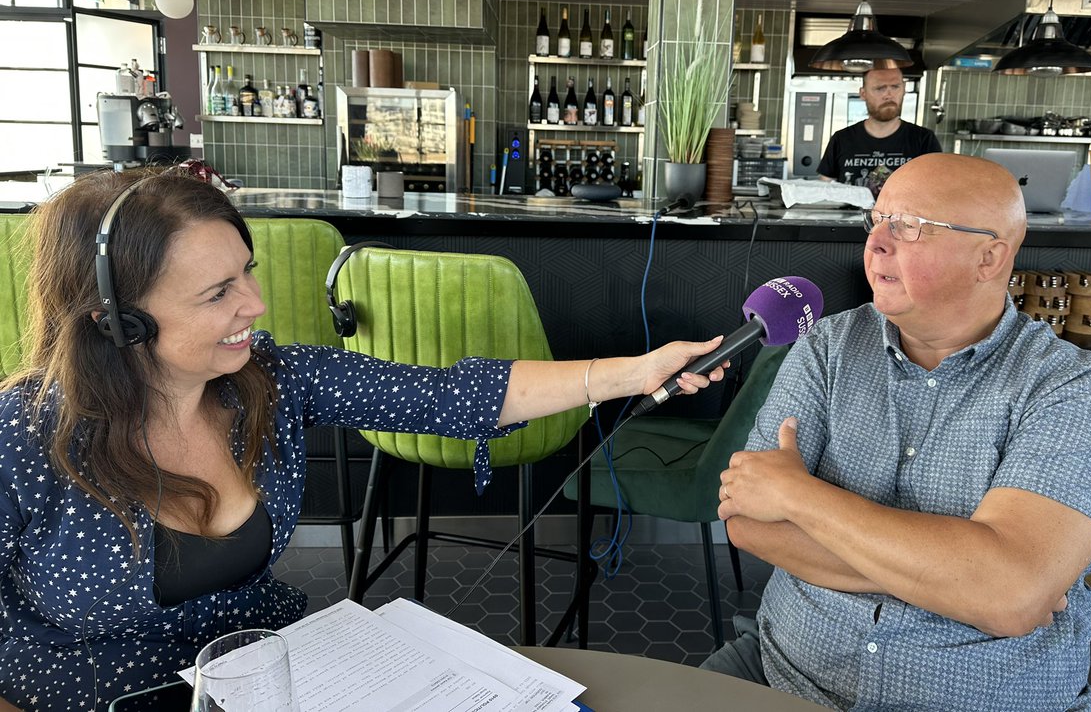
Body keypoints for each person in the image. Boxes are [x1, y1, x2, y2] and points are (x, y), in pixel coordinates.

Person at [0, 167, 726, 712]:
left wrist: (634, 371)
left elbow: (452, 395)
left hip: (274, 682)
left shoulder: (271, 381)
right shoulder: (19, 437)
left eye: (246, 273)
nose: (256, 303)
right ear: (117, 321)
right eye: (218, 293)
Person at [706, 154, 1091, 711]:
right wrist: (960, 583)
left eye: (909, 226)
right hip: (787, 672)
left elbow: (1010, 595)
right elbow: (745, 519)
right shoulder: (827, 346)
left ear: (989, 257)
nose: (876, 243)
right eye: (877, 219)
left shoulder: (1070, 387)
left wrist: (798, 496)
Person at [816, 68, 941, 195]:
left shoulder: (924, 139)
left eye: (895, 87)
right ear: (863, 94)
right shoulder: (841, 139)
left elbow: (937, 191)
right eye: (880, 88)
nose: (888, 95)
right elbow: (825, 189)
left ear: (904, 89)